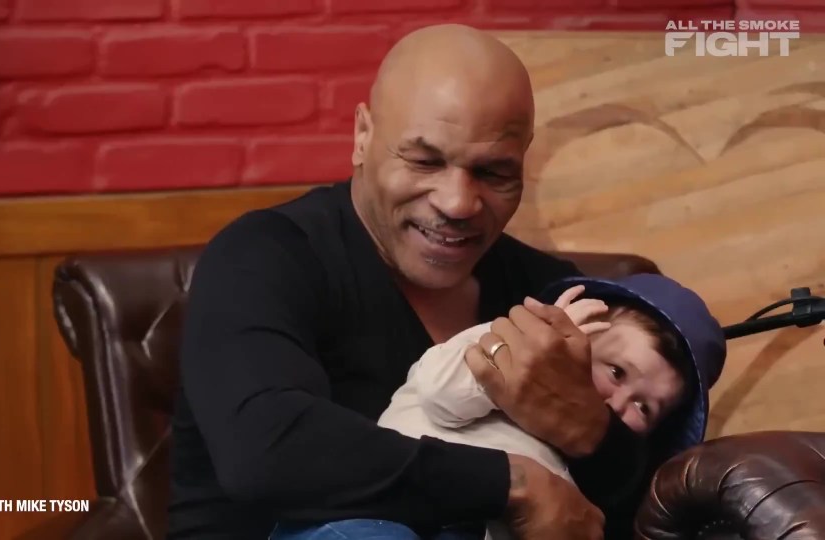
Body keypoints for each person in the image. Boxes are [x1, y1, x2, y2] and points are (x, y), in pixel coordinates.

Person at [170, 23, 648, 540]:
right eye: (425, 161)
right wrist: (513, 484)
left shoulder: (550, 292)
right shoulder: (264, 256)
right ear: (362, 136)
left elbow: (649, 498)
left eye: (493, 173)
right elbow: (266, 450)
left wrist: (593, 433)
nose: (458, 203)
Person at [271, 274, 726, 539]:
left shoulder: (577, 473)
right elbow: (440, 392)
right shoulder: (502, 345)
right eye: (616, 372)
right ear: (575, 332)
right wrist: (524, 365)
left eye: (645, 409)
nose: (617, 403)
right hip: (373, 516)